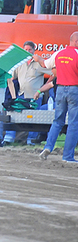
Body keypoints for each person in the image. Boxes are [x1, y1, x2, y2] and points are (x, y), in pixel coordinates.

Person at [39, 32, 78, 162]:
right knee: (73, 123)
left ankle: (48, 146)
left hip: (60, 89)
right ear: (76, 42)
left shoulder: (58, 53)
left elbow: (45, 65)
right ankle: (67, 156)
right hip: (74, 89)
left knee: (57, 121)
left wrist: (37, 58)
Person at [3, 41, 52, 144]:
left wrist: (45, 86)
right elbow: (12, 77)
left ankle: (31, 140)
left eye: (30, 49)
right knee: (16, 116)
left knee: (34, 119)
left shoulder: (39, 64)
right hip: (21, 95)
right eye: (26, 50)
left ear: (34, 50)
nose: (28, 51)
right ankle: (9, 139)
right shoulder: (20, 63)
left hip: (34, 96)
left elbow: (53, 73)